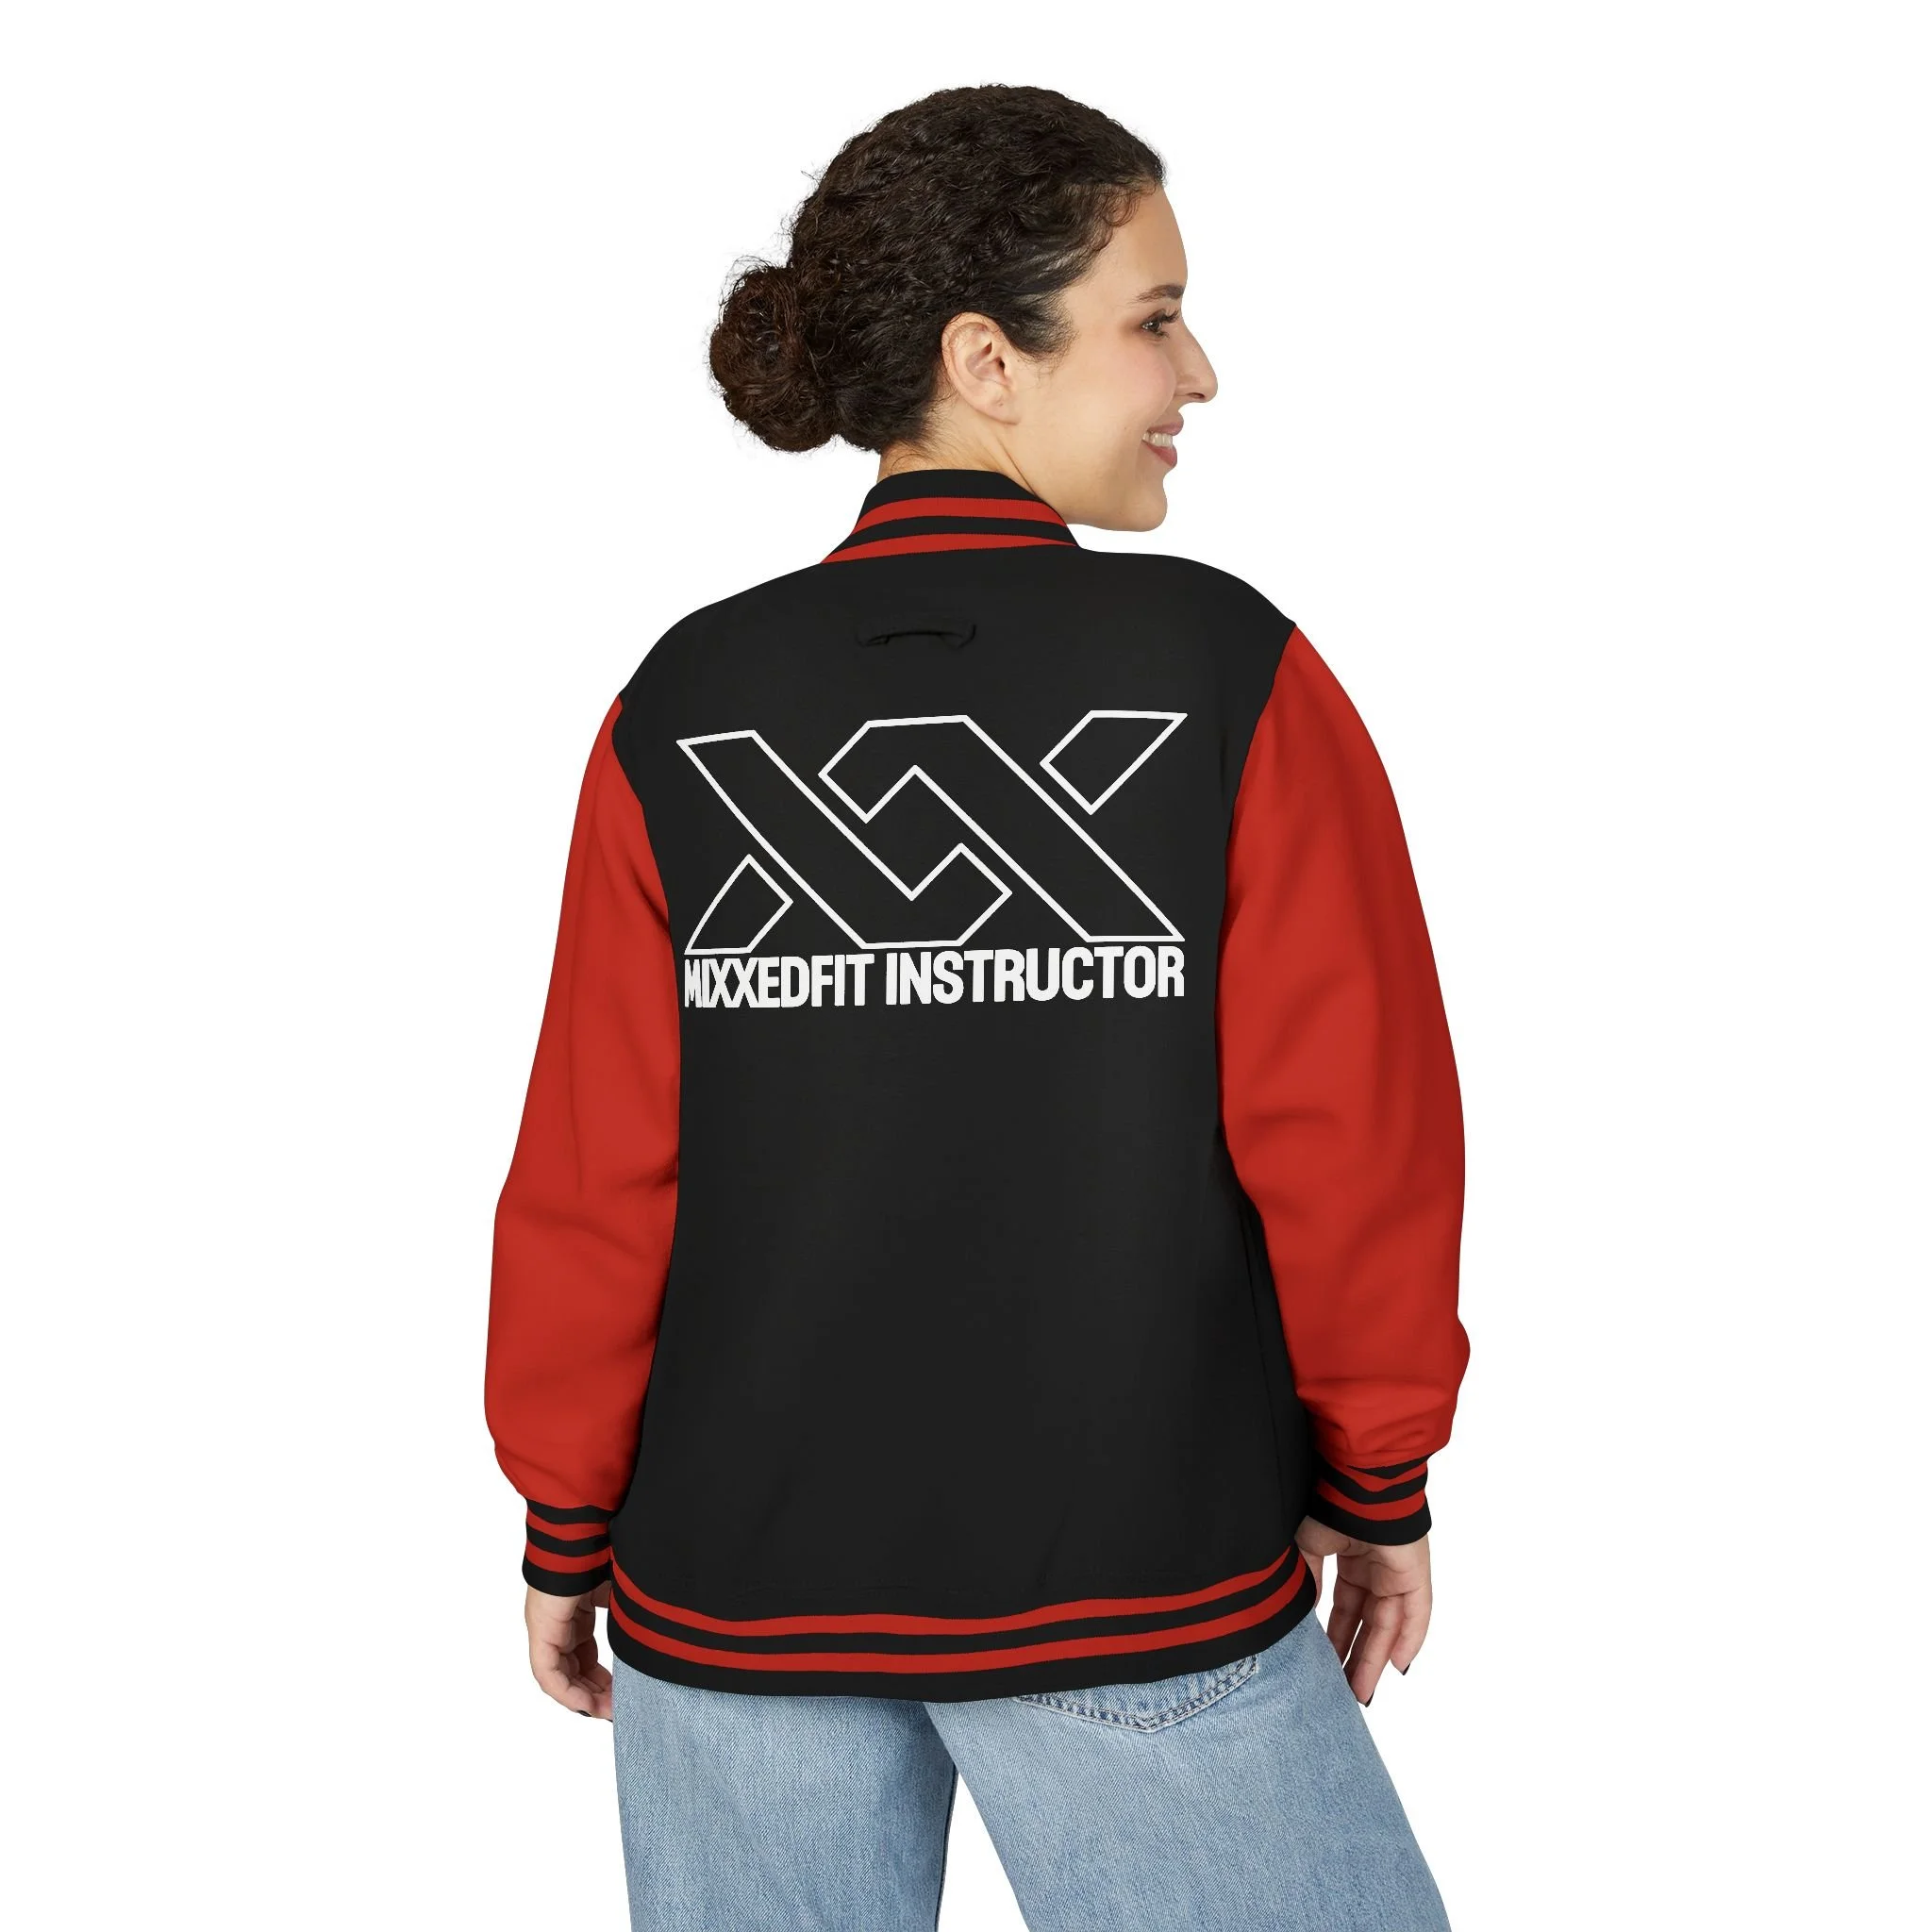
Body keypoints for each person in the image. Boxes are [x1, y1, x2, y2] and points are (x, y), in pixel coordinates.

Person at [484, 82, 1469, 1932]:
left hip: (730, 1606)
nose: (1199, 372)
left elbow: (598, 1172)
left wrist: (564, 1517)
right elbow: (1351, 1133)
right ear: (984, 361)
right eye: (1153, 317)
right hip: (1135, 1578)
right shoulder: (1226, 671)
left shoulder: (683, 700)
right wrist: (1379, 1469)